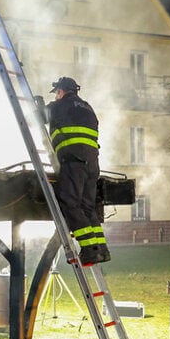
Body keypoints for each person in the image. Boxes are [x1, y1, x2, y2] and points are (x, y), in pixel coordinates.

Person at [47, 76, 111, 264]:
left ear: (61, 91)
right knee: (87, 207)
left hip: (73, 162)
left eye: (57, 92)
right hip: (91, 164)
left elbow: (36, 117)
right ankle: (101, 249)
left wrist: (40, 106)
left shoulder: (58, 106)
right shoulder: (88, 108)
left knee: (70, 203)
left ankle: (90, 250)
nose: (56, 96)